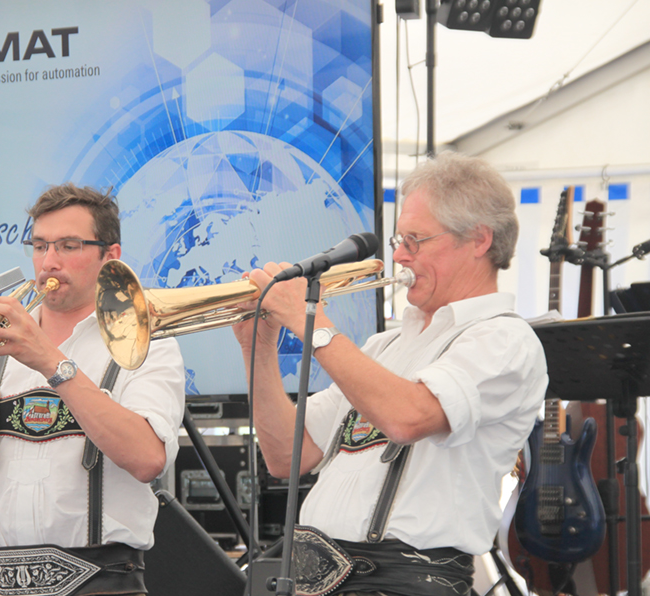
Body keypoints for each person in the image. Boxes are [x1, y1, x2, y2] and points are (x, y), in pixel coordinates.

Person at [232, 152, 548, 596]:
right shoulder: (384, 346)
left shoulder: (504, 340)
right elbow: (287, 456)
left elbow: (407, 417)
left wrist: (310, 322)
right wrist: (257, 349)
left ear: (478, 240)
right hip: (317, 578)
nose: (398, 255)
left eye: (415, 241)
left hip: (404, 581)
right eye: (400, 240)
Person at [0, 183, 185, 596]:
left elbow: (148, 459)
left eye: (69, 246)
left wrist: (50, 361)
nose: (49, 262)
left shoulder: (148, 343)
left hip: (101, 584)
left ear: (110, 256)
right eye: (40, 246)